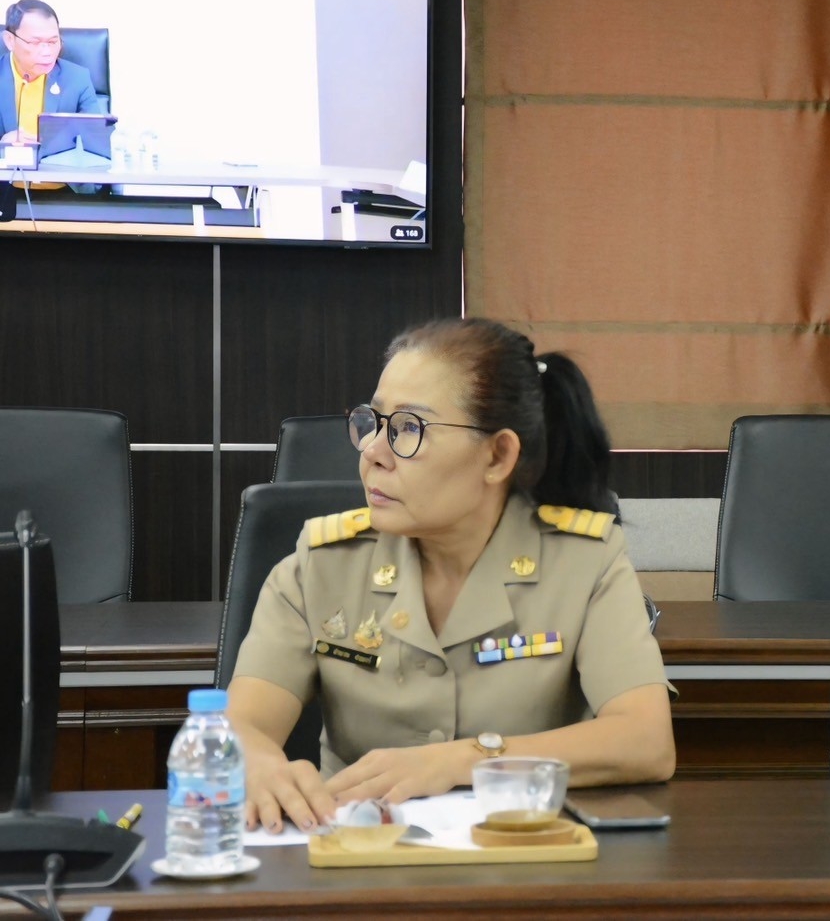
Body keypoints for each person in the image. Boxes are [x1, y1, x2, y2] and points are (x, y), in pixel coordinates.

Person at [228, 318, 676, 834]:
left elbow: (645, 741)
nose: (373, 452)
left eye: (409, 429)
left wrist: (464, 760)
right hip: (360, 852)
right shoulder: (322, 565)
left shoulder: (583, 562)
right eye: (373, 422)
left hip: (522, 852)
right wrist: (258, 763)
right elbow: (242, 725)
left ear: (497, 455)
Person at [2, 0, 105, 147]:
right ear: (10, 40)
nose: (47, 52)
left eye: (52, 42)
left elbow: (97, 140)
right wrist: (2, 145)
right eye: (35, 43)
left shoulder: (77, 78)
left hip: (56, 162)